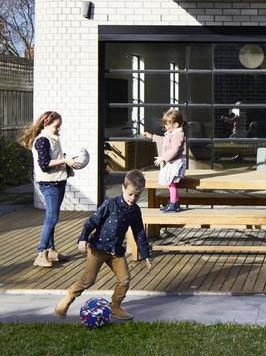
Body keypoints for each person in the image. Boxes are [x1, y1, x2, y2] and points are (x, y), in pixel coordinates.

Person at [55, 169, 152, 321]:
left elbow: (139, 232)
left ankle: (115, 306)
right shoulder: (110, 204)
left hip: (115, 251)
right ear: (123, 188)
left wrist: (145, 254)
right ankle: (68, 297)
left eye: (137, 195)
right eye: (130, 194)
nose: (133, 198)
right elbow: (91, 222)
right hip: (98, 249)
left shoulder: (134, 211)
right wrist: (83, 238)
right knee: (89, 279)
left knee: (125, 279)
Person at [19, 110, 83, 268]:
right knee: (52, 218)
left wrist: (68, 159)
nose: (59, 129)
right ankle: (41, 253)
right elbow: (44, 164)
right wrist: (65, 160)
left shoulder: (52, 138)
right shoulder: (42, 140)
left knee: (52, 217)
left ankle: (51, 251)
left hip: (58, 181)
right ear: (46, 124)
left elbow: (53, 158)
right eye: (57, 126)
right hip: (49, 184)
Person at [144, 108, 186, 212]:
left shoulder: (178, 135)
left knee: (171, 183)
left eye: (167, 124)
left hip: (175, 163)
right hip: (171, 162)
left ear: (176, 124)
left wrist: (163, 157)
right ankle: (173, 202)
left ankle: (174, 203)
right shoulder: (170, 133)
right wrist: (152, 136)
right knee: (170, 183)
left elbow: (175, 150)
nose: (165, 126)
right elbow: (163, 140)